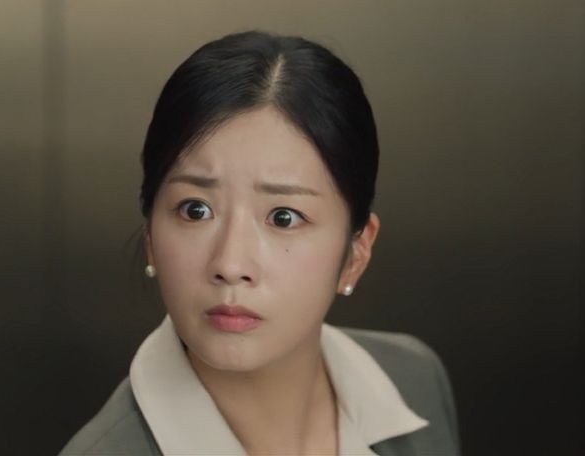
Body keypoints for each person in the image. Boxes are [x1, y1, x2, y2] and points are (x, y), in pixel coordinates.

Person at [59, 30, 460, 456]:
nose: (230, 264)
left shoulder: (413, 377)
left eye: (283, 217)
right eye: (196, 210)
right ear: (150, 237)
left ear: (356, 255)